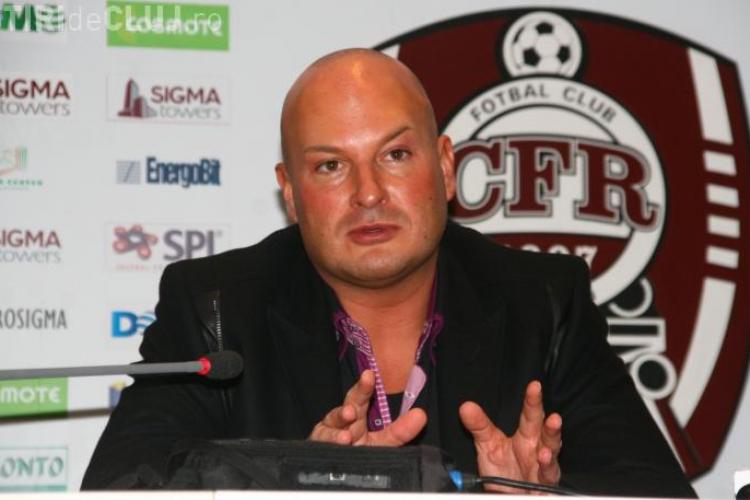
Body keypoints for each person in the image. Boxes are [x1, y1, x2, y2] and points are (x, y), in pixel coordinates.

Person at [82, 49, 695, 497]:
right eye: (330, 166)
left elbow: (657, 492)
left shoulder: (544, 302)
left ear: (446, 167)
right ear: (290, 192)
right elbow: (119, 487)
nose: (369, 193)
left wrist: (547, 496)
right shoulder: (213, 308)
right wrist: (292, 478)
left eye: (396, 155)